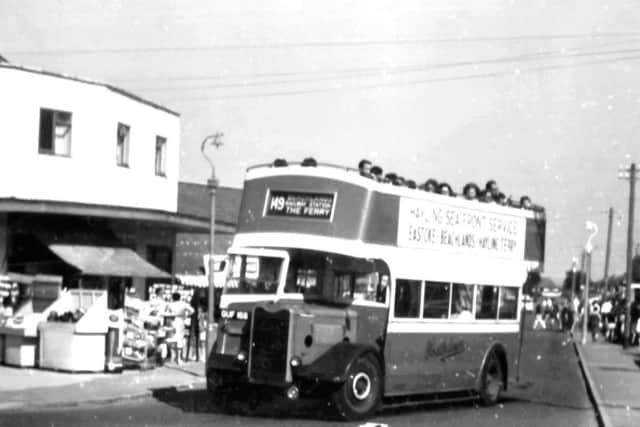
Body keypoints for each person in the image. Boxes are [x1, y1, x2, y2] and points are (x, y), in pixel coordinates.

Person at [166, 292, 195, 365]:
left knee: (172, 338)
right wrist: (186, 315)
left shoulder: (170, 304)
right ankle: (178, 358)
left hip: (172, 321)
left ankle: (173, 357)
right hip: (180, 320)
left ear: (173, 297)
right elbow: (192, 310)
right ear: (179, 297)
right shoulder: (183, 304)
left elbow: (166, 313)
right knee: (180, 339)